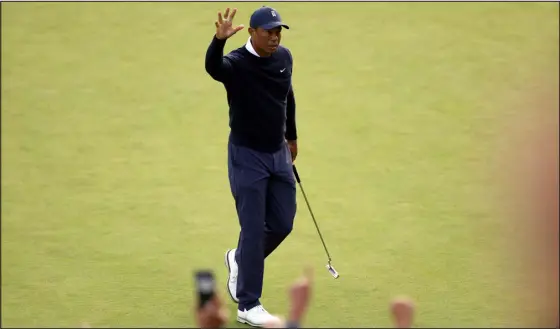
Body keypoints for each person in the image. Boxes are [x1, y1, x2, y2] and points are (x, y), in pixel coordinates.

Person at [204, 5, 299, 327]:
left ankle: (239, 259)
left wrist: (292, 136)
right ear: (251, 33)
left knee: (283, 223)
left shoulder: (284, 58)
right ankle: (248, 304)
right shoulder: (236, 64)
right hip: (247, 156)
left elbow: (287, 95)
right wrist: (218, 41)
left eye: (278, 32)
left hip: (278, 153)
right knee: (254, 228)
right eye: (268, 32)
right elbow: (213, 68)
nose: (275, 38)